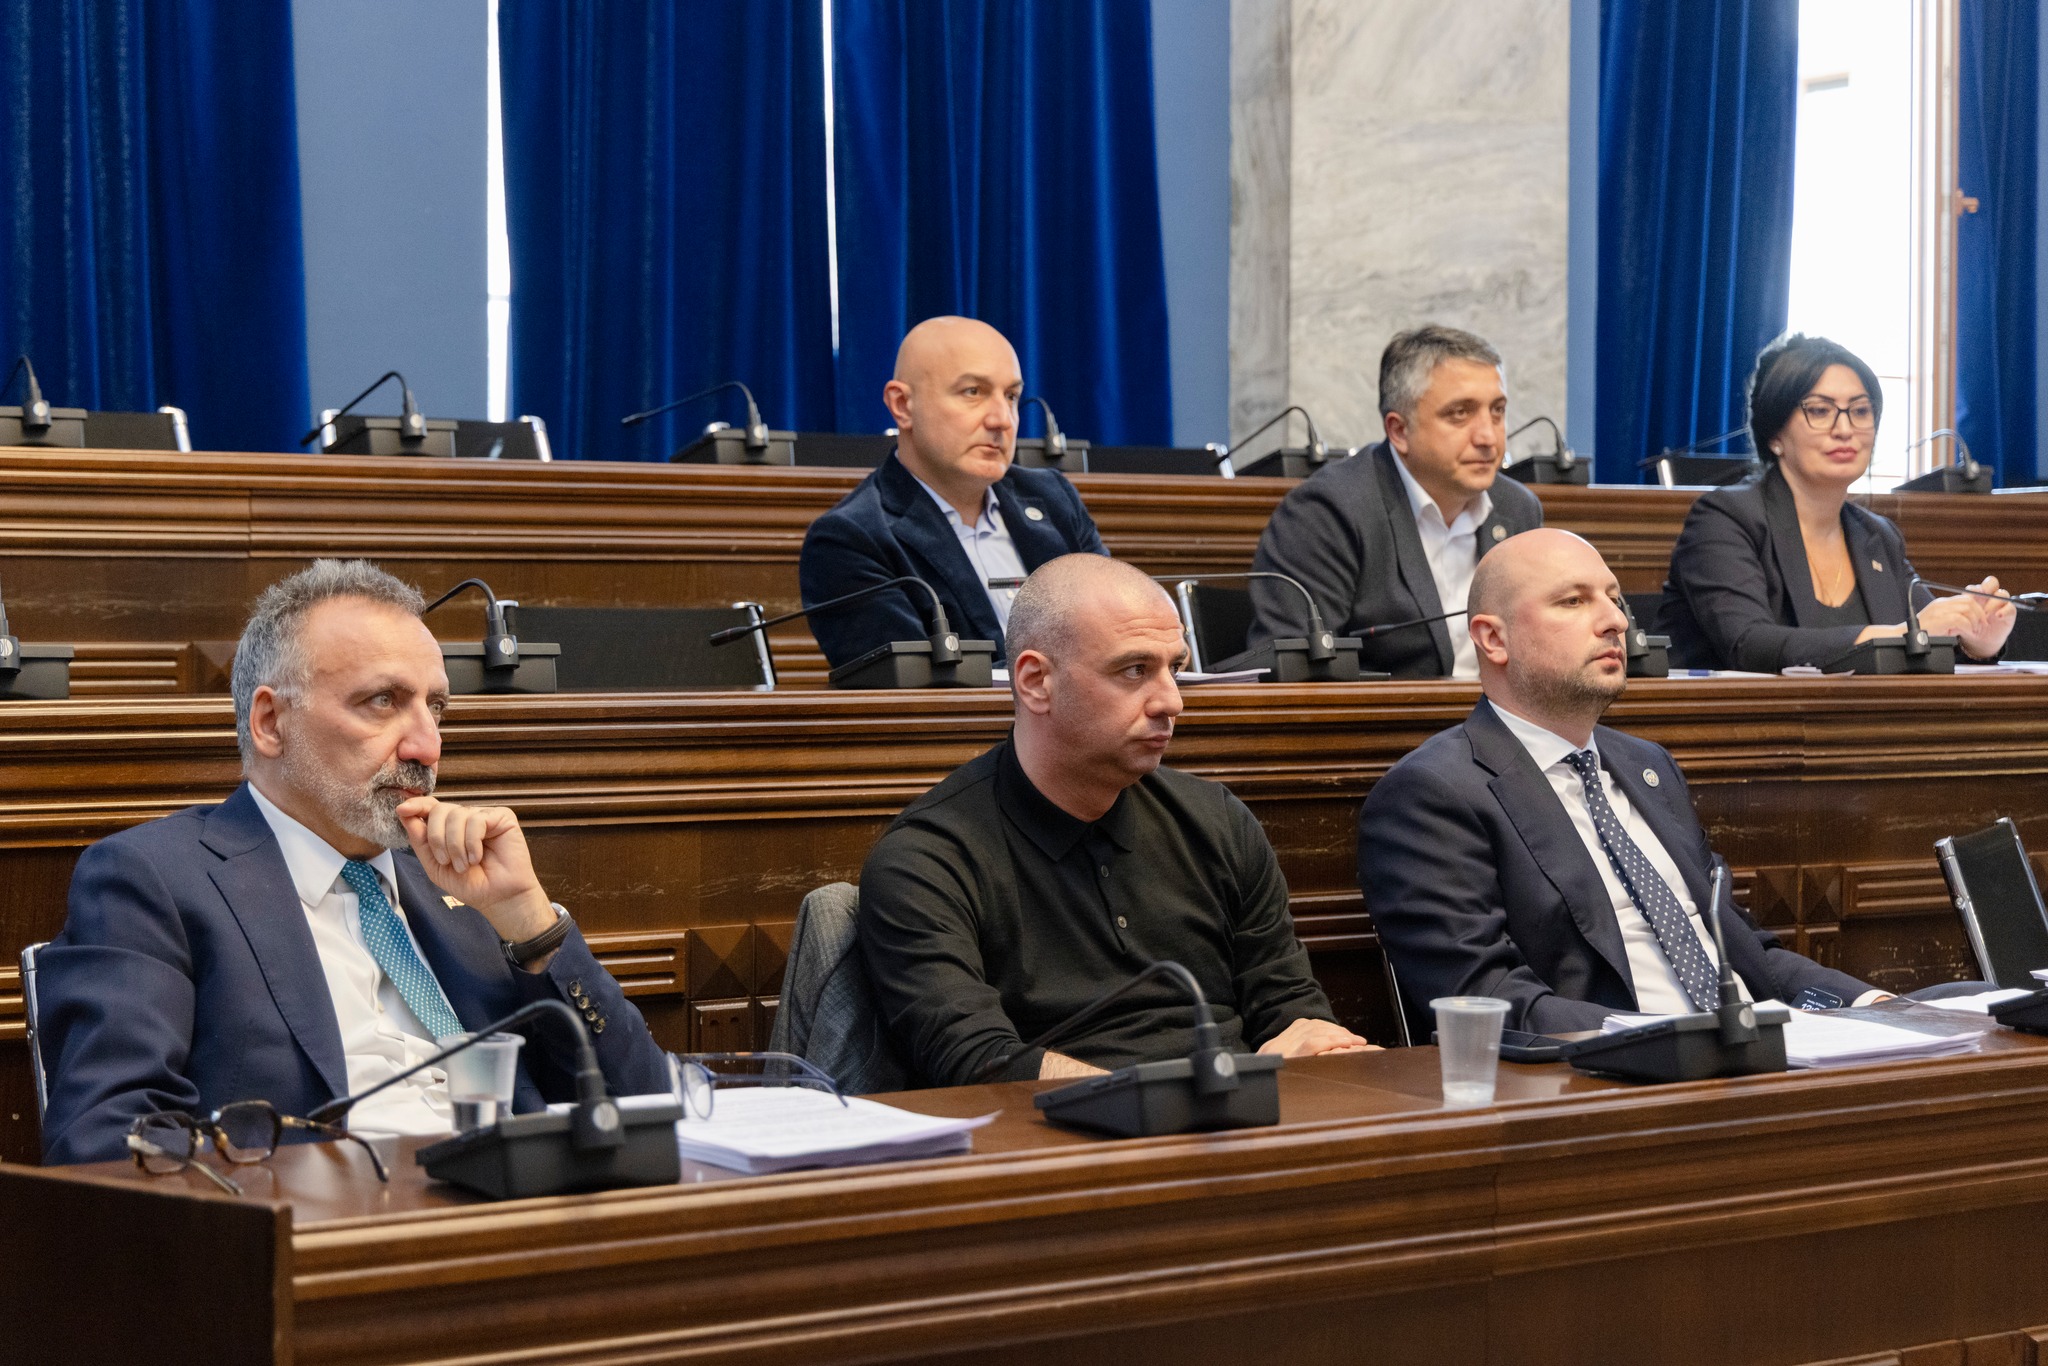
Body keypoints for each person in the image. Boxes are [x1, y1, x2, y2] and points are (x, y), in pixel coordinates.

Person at [37, 559, 670, 1165]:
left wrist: (531, 925)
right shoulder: (154, 881)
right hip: (333, 1224)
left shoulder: (464, 888)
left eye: (437, 708)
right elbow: (107, 1144)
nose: (427, 746)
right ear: (270, 722)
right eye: (383, 701)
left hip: (528, 1209)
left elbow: (647, 1104)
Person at [860, 554, 1373, 1085]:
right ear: (1036, 682)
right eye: (1135, 670)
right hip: (1058, 1129)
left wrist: (1322, 1049)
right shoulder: (927, 859)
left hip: (1244, 1112)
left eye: (1174, 669)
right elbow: (978, 1063)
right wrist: (1187, 1092)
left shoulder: (1217, 821)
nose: (1172, 702)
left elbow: (1290, 1009)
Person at [1359, 529, 1883, 1034]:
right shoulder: (1433, 794)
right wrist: (1679, 1038)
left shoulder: (1647, 766)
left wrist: (1870, 1006)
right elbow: (1486, 1000)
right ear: (1494, 638)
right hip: (1615, 1071)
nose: (1615, 620)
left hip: (1753, 1051)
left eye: (1614, 599)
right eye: (1573, 601)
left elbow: (1743, 952)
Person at [1657, 332, 2015, 671]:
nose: (1845, 429)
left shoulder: (1878, 536)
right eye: (1820, 410)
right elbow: (1750, 645)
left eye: (1860, 411)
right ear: (1775, 434)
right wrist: (1897, 635)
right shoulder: (1725, 519)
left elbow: (1926, 635)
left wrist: (1977, 637)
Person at [799, 316, 1108, 670]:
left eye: (1011, 396)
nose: (1002, 420)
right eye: (973, 392)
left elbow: (1119, 631)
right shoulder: (850, 540)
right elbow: (922, 689)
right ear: (902, 405)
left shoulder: (1054, 499)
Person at [1242, 325, 1543, 678]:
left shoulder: (1517, 508)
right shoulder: (1327, 512)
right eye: (1460, 414)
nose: (1488, 437)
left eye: (1497, 411)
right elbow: (1294, 672)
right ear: (1399, 431)